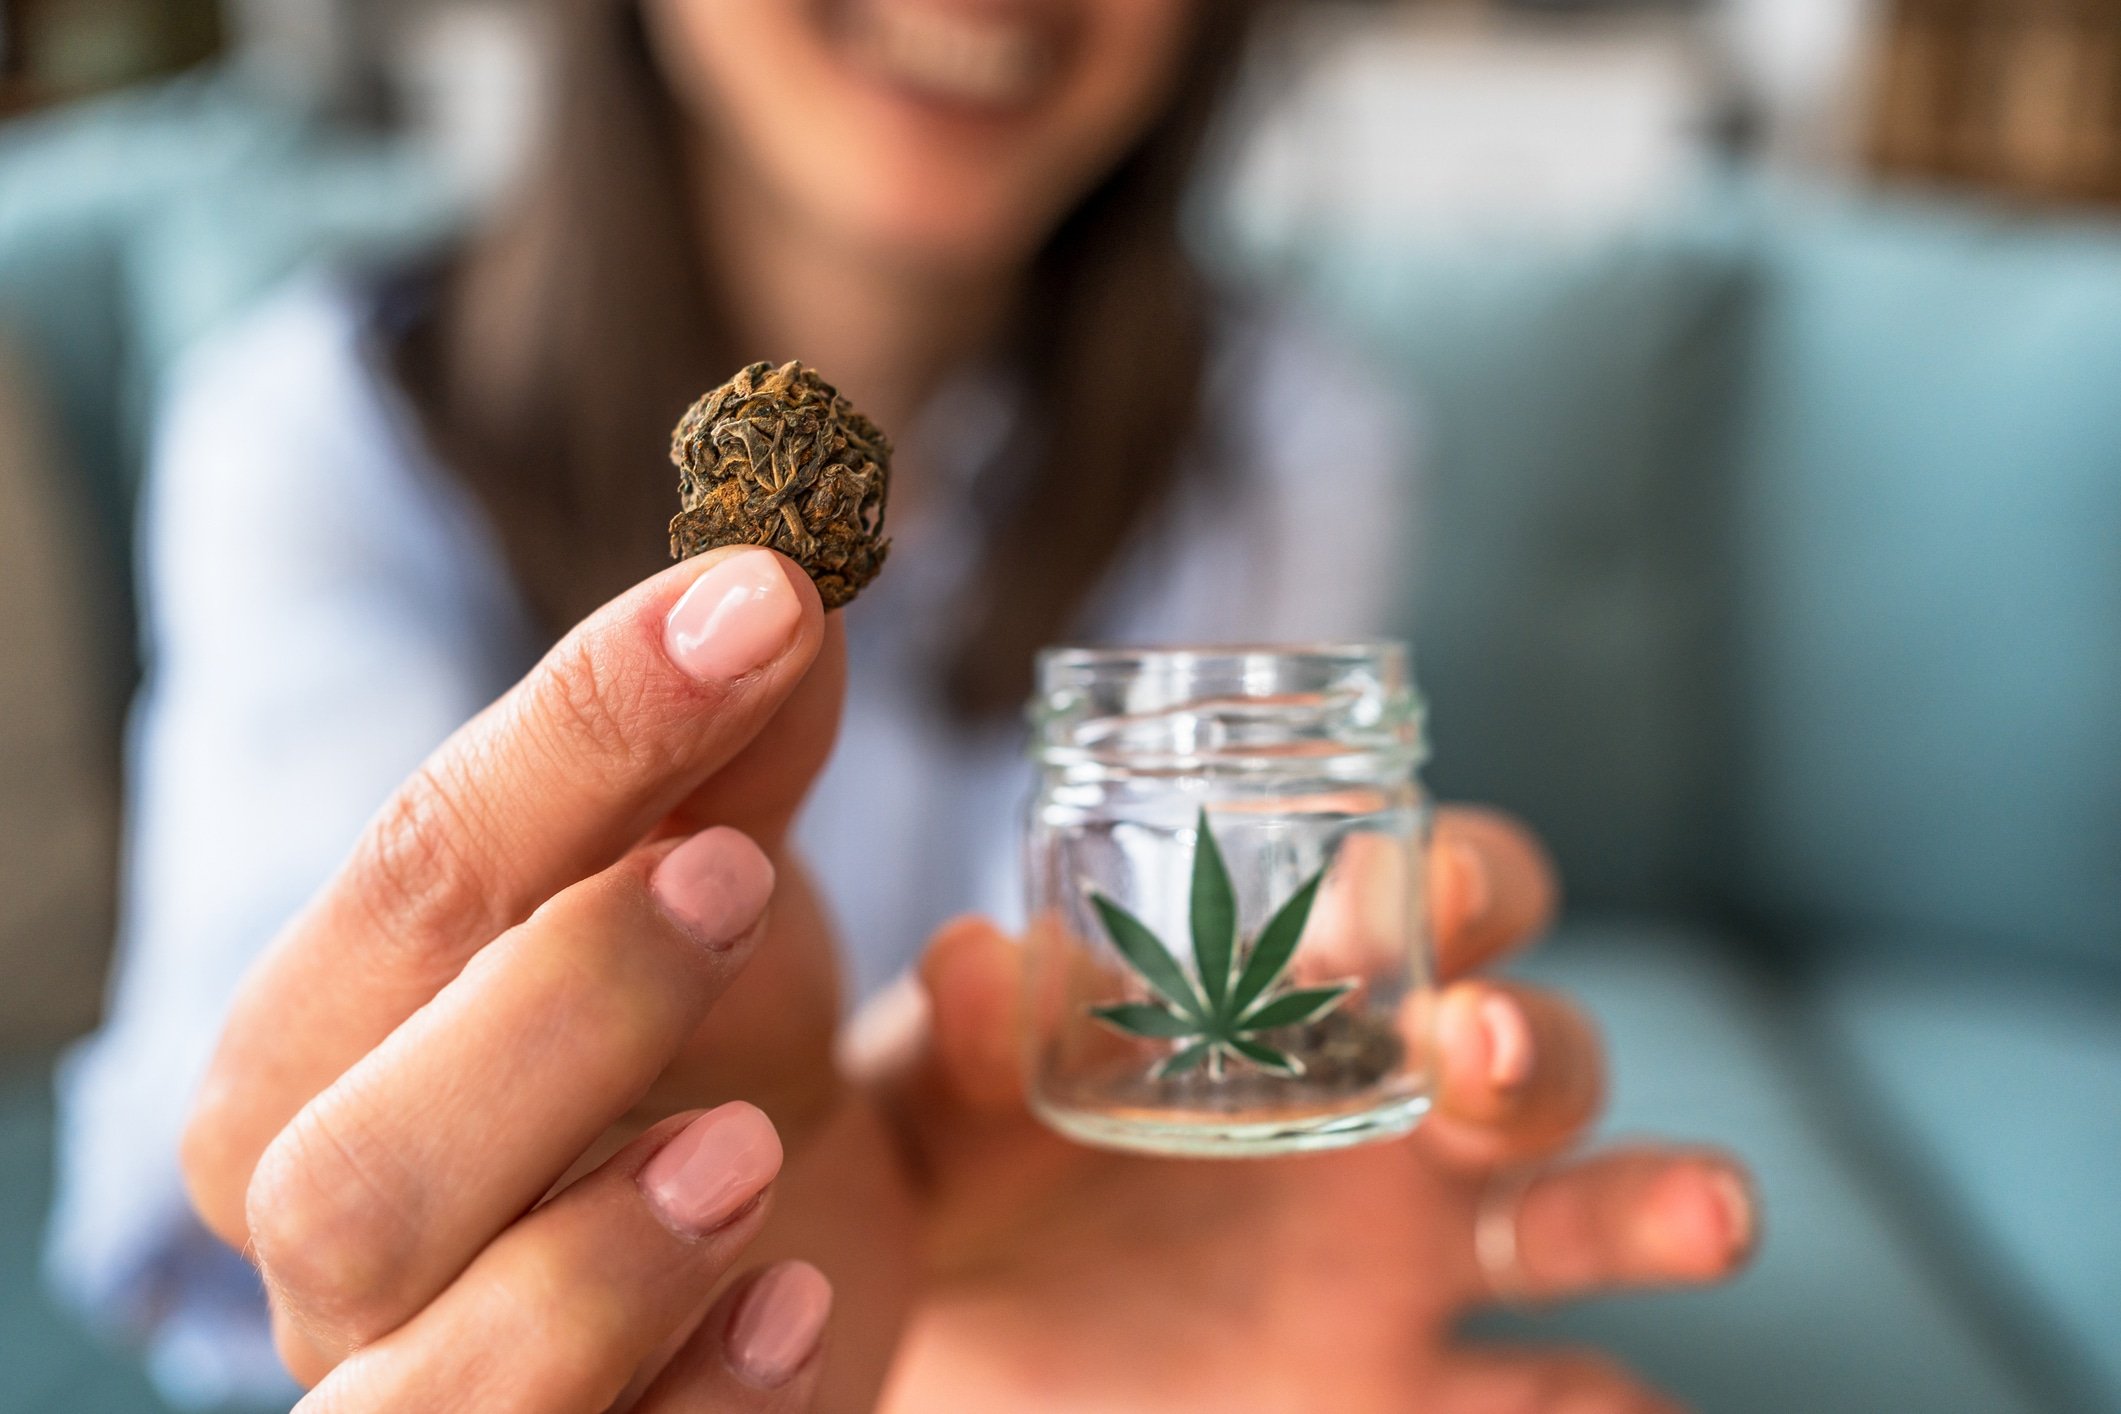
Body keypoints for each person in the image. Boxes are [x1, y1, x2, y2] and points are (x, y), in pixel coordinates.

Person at [52, 0, 1757, 1408]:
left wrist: (1008, 1291)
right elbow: (283, 1193)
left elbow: (1193, 1013)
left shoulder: (1285, 439)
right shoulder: (308, 427)